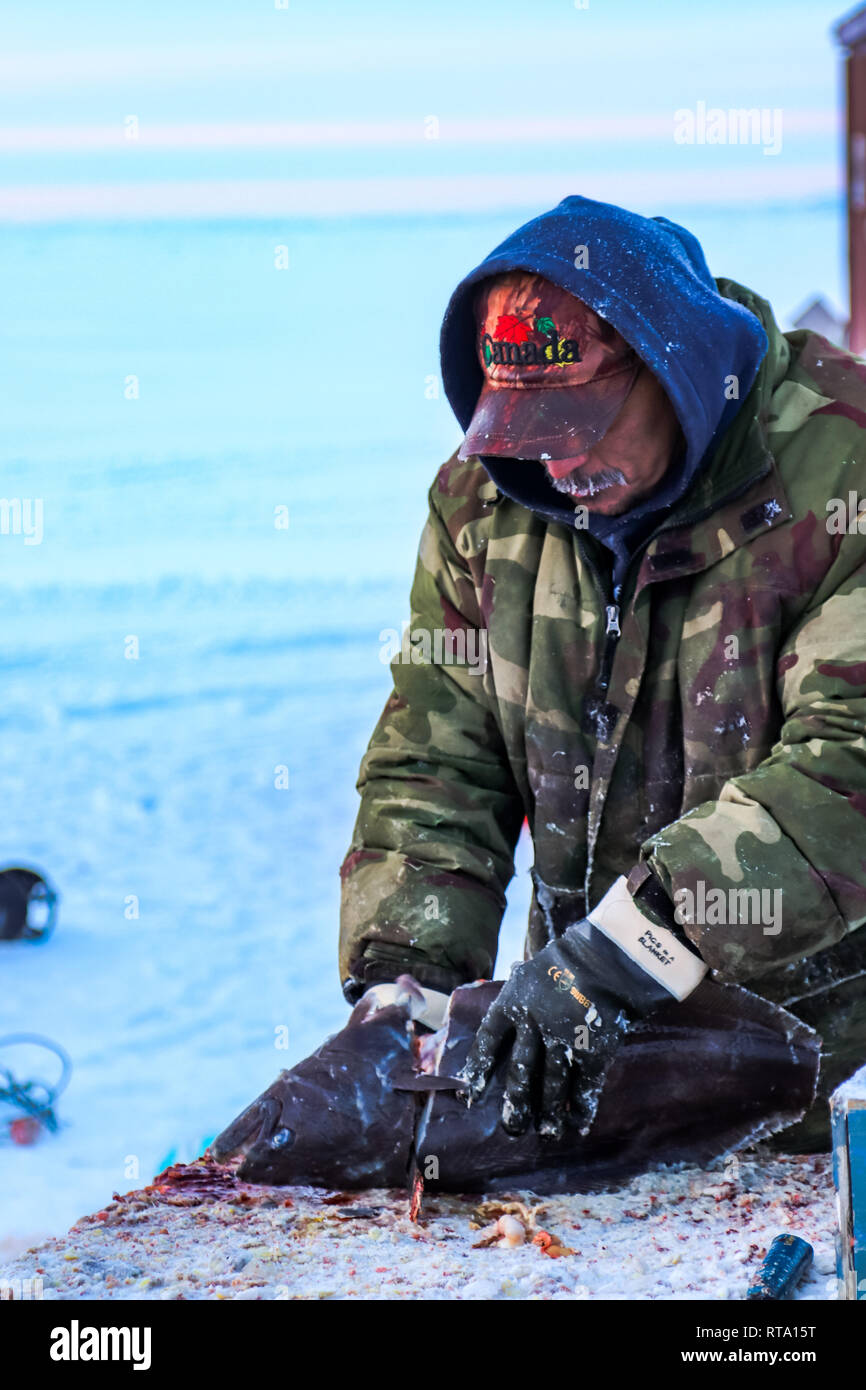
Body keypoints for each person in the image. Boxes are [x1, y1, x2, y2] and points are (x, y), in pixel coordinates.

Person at [336, 194, 866, 1152]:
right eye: (524, 425)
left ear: (679, 364)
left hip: (830, 1078)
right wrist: (405, 986)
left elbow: (849, 765)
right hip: (580, 1069)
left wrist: (641, 941)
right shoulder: (483, 507)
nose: (559, 461)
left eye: (583, 419)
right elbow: (438, 759)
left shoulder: (845, 471)